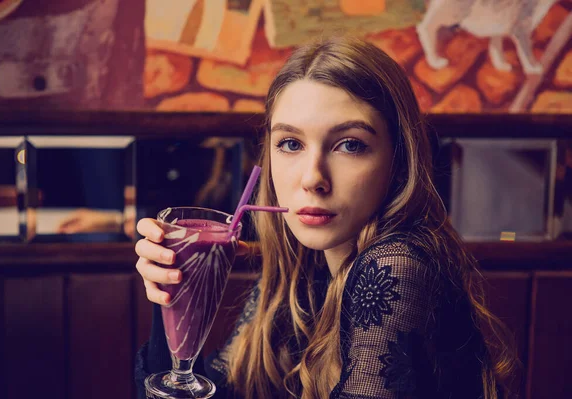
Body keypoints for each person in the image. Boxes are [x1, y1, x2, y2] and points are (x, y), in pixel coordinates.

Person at [134, 37, 516, 398]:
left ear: (398, 160)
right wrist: (171, 292)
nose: (313, 177)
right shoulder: (304, 267)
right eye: (291, 143)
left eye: (350, 145)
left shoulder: (397, 262)